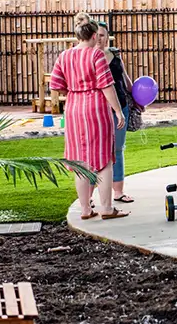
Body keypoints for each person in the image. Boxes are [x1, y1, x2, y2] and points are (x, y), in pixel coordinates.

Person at [50, 13, 128, 220]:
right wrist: (118, 111)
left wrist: (75, 94)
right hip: (96, 108)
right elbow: (106, 85)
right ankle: (107, 209)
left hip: (74, 109)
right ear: (94, 35)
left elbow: (56, 86)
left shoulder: (64, 56)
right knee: (103, 160)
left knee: (80, 161)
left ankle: (85, 210)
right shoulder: (96, 55)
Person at [97, 21, 135, 204]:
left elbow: (124, 78)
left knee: (117, 150)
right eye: (96, 34)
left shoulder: (115, 54)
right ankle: (89, 197)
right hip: (98, 110)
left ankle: (118, 192)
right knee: (96, 151)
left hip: (121, 106)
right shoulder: (88, 57)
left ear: (107, 36)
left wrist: (135, 98)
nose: (99, 38)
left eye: (103, 35)